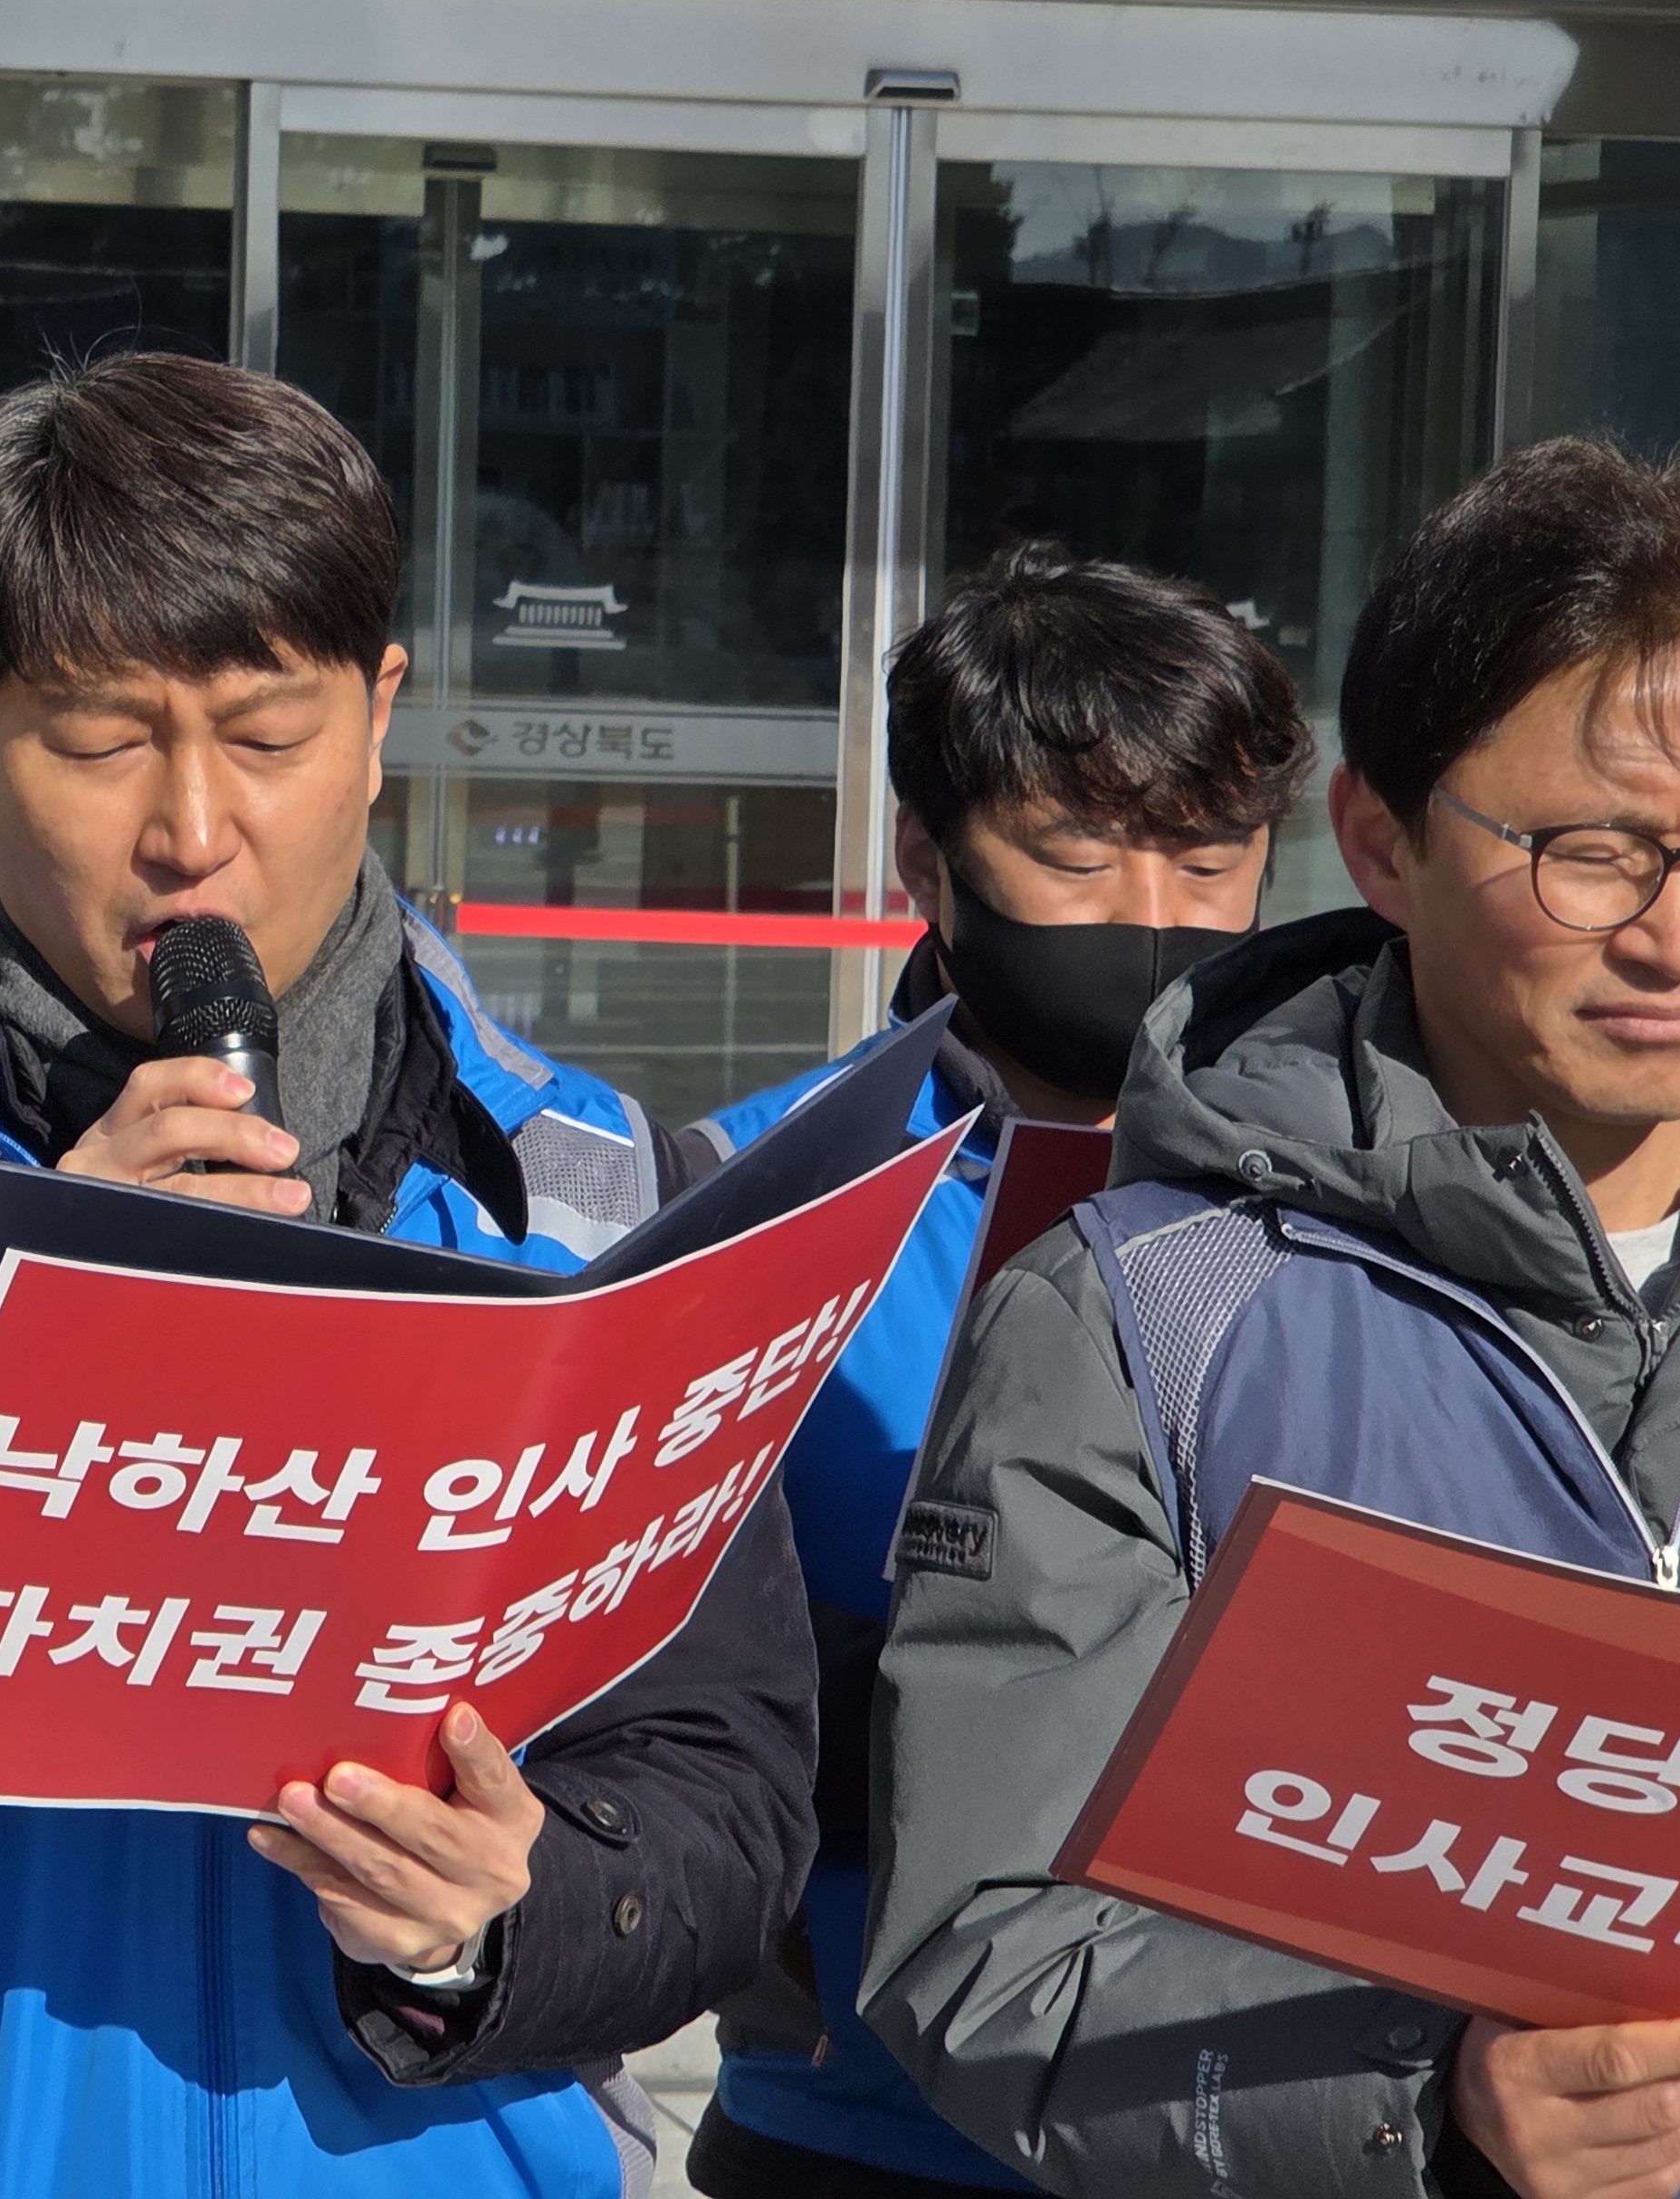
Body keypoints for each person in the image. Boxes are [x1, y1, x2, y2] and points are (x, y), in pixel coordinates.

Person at [0, 351, 818, 2199]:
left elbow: (728, 1787)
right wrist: (23, 1343)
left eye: (267, 734)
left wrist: (508, 1914)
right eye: (97, 743)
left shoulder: (597, 1198)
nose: (191, 829)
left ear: (378, 717)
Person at [867, 439, 1680, 2199]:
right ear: (1379, 841)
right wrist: (1426, 2094)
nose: (1679, 937)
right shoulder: (1141, 1316)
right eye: (1590, 853)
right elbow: (987, 1951)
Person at [678, 544, 1312, 2199]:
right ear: (928, 858)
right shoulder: (758, 1201)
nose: (1153, 918)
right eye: (1077, 857)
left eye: (1209, 860)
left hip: (1274, 2113)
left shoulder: (1367, 1195)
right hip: (859, 2123)